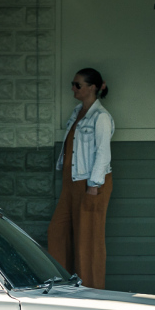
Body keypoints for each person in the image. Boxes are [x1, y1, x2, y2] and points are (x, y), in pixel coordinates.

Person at [48, 67, 115, 289]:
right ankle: (64, 286)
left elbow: (103, 152)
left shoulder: (101, 117)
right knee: (58, 233)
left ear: (92, 88)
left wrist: (94, 186)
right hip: (70, 184)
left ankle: (92, 292)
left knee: (88, 241)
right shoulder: (78, 112)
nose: (73, 88)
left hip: (89, 184)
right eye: (73, 84)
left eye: (78, 85)